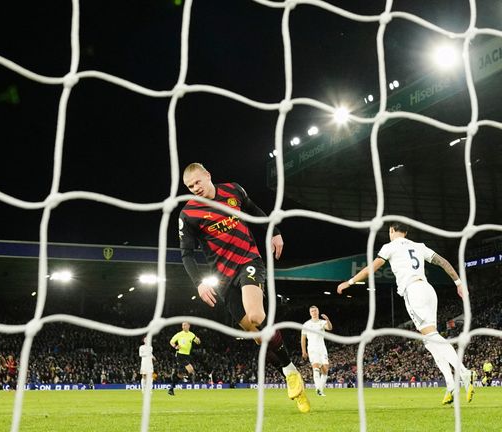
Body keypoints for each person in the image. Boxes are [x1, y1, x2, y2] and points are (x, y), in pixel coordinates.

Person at [178, 163, 309, 412]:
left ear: (208, 175)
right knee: (259, 337)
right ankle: (290, 374)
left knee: (257, 315)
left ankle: (291, 373)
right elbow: (186, 254)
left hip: (249, 261)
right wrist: (198, 283)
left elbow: (254, 210)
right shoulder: (189, 214)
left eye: (197, 182)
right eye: (189, 186)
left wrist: (275, 231)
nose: (194, 188)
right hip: (223, 279)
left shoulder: (234, 190)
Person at [337, 222, 475, 405]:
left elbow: (373, 267)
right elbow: (443, 262)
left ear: (392, 231)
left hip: (413, 291)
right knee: (430, 340)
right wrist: (458, 283)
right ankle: (451, 384)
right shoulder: (419, 246)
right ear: (406, 232)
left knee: (432, 336)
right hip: (428, 290)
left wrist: (350, 281)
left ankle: (465, 373)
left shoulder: (390, 246)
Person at [301, 306, 332, 396]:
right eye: (312, 311)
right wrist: (304, 351)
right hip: (312, 349)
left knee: (325, 370)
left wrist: (328, 320)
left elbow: (329, 328)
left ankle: (320, 389)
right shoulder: (306, 324)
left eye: (315, 311)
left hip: (322, 349)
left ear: (318, 312)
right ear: (310, 313)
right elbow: (303, 339)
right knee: (316, 368)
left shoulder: (322, 322)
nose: (314, 312)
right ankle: (319, 389)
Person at [168, 322, 200, 396]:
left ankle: (171, 389)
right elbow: (171, 341)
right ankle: (186, 378)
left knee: (180, 375)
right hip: (180, 355)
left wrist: (198, 340)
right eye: (182, 325)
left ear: (189, 326)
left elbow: (197, 341)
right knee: (191, 370)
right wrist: (175, 346)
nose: (183, 326)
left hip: (187, 355)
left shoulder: (191, 334)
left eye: (185, 325)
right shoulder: (179, 334)